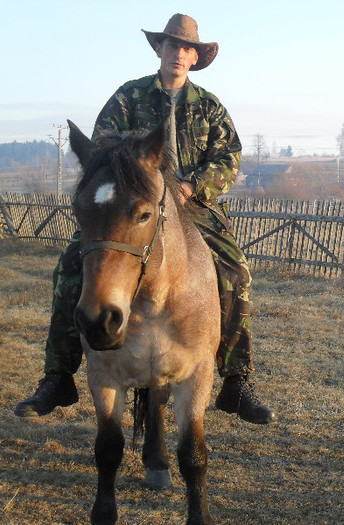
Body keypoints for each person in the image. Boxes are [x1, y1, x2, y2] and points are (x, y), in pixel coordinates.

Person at [15, 13, 277, 423]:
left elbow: (230, 158)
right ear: (159, 49)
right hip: (129, 210)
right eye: (171, 45)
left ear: (195, 58)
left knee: (236, 271)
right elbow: (100, 150)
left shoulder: (209, 108)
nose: (178, 53)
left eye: (186, 48)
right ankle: (58, 376)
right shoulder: (127, 97)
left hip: (194, 209)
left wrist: (193, 187)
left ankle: (235, 379)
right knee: (70, 266)